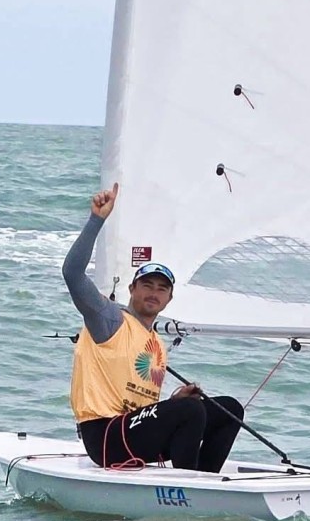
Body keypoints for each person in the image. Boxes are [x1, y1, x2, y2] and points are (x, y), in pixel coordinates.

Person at [62, 182, 244, 472]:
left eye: (162, 289)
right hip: (106, 437)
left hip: (136, 433)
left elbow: (144, 411)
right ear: (132, 288)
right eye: (147, 285)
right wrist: (97, 219)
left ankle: (205, 480)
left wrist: (172, 402)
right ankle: (188, 486)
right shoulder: (109, 319)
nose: (153, 292)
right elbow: (72, 274)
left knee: (229, 409)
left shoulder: (157, 343)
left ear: (169, 299)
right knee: (190, 410)